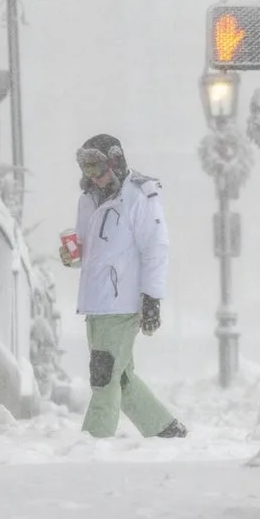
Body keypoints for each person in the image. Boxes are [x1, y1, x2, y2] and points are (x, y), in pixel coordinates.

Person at [60, 133, 188, 439]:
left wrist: (152, 299)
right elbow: (89, 251)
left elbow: (155, 249)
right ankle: (164, 428)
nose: (93, 177)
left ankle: (93, 440)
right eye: (87, 170)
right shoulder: (88, 200)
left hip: (121, 304)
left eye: (98, 169)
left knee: (103, 377)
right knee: (120, 376)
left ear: (115, 163)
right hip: (96, 303)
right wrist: (71, 255)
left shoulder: (139, 197)